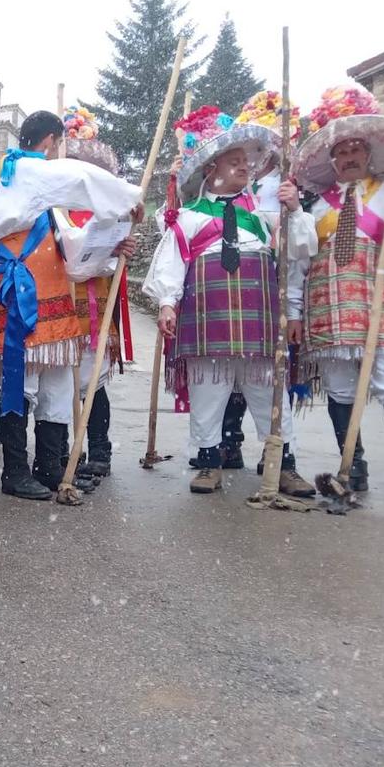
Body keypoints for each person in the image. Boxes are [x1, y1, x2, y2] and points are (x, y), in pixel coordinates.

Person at [143, 107, 315, 497]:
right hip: (207, 321)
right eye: (234, 162)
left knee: (269, 393)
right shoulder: (186, 218)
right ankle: (208, 463)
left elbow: (299, 252)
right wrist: (168, 303)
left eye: (245, 162)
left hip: (258, 323)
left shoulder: (264, 215)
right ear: (210, 170)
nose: (244, 167)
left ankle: (282, 465)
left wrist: (294, 210)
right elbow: (171, 265)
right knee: (209, 392)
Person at [0, 112, 142, 499]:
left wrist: (110, 244)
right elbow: (79, 178)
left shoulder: (41, 196)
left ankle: (49, 467)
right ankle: (15, 473)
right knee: (23, 384)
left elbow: (70, 246)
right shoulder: (19, 171)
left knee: (55, 386)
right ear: (52, 141)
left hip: (49, 298)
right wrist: (130, 198)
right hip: (21, 296)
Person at [292, 86, 384, 493]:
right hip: (326, 314)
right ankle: (354, 462)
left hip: (376, 308)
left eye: (355, 151)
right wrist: (294, 312)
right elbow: (299, 263)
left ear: (367, 155)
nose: (349, 159)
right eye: (341, 153)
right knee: (341, 389)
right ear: (332, 161)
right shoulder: (315, 208)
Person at [58, 107, 129, 479]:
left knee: (93, 382)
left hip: (94, 309)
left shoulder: (105, 211)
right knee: (60, 386)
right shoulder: (52, 209)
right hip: (59, 306)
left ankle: (98, 448)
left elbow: (112, 258)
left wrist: (117, 251)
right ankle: (69, 452)